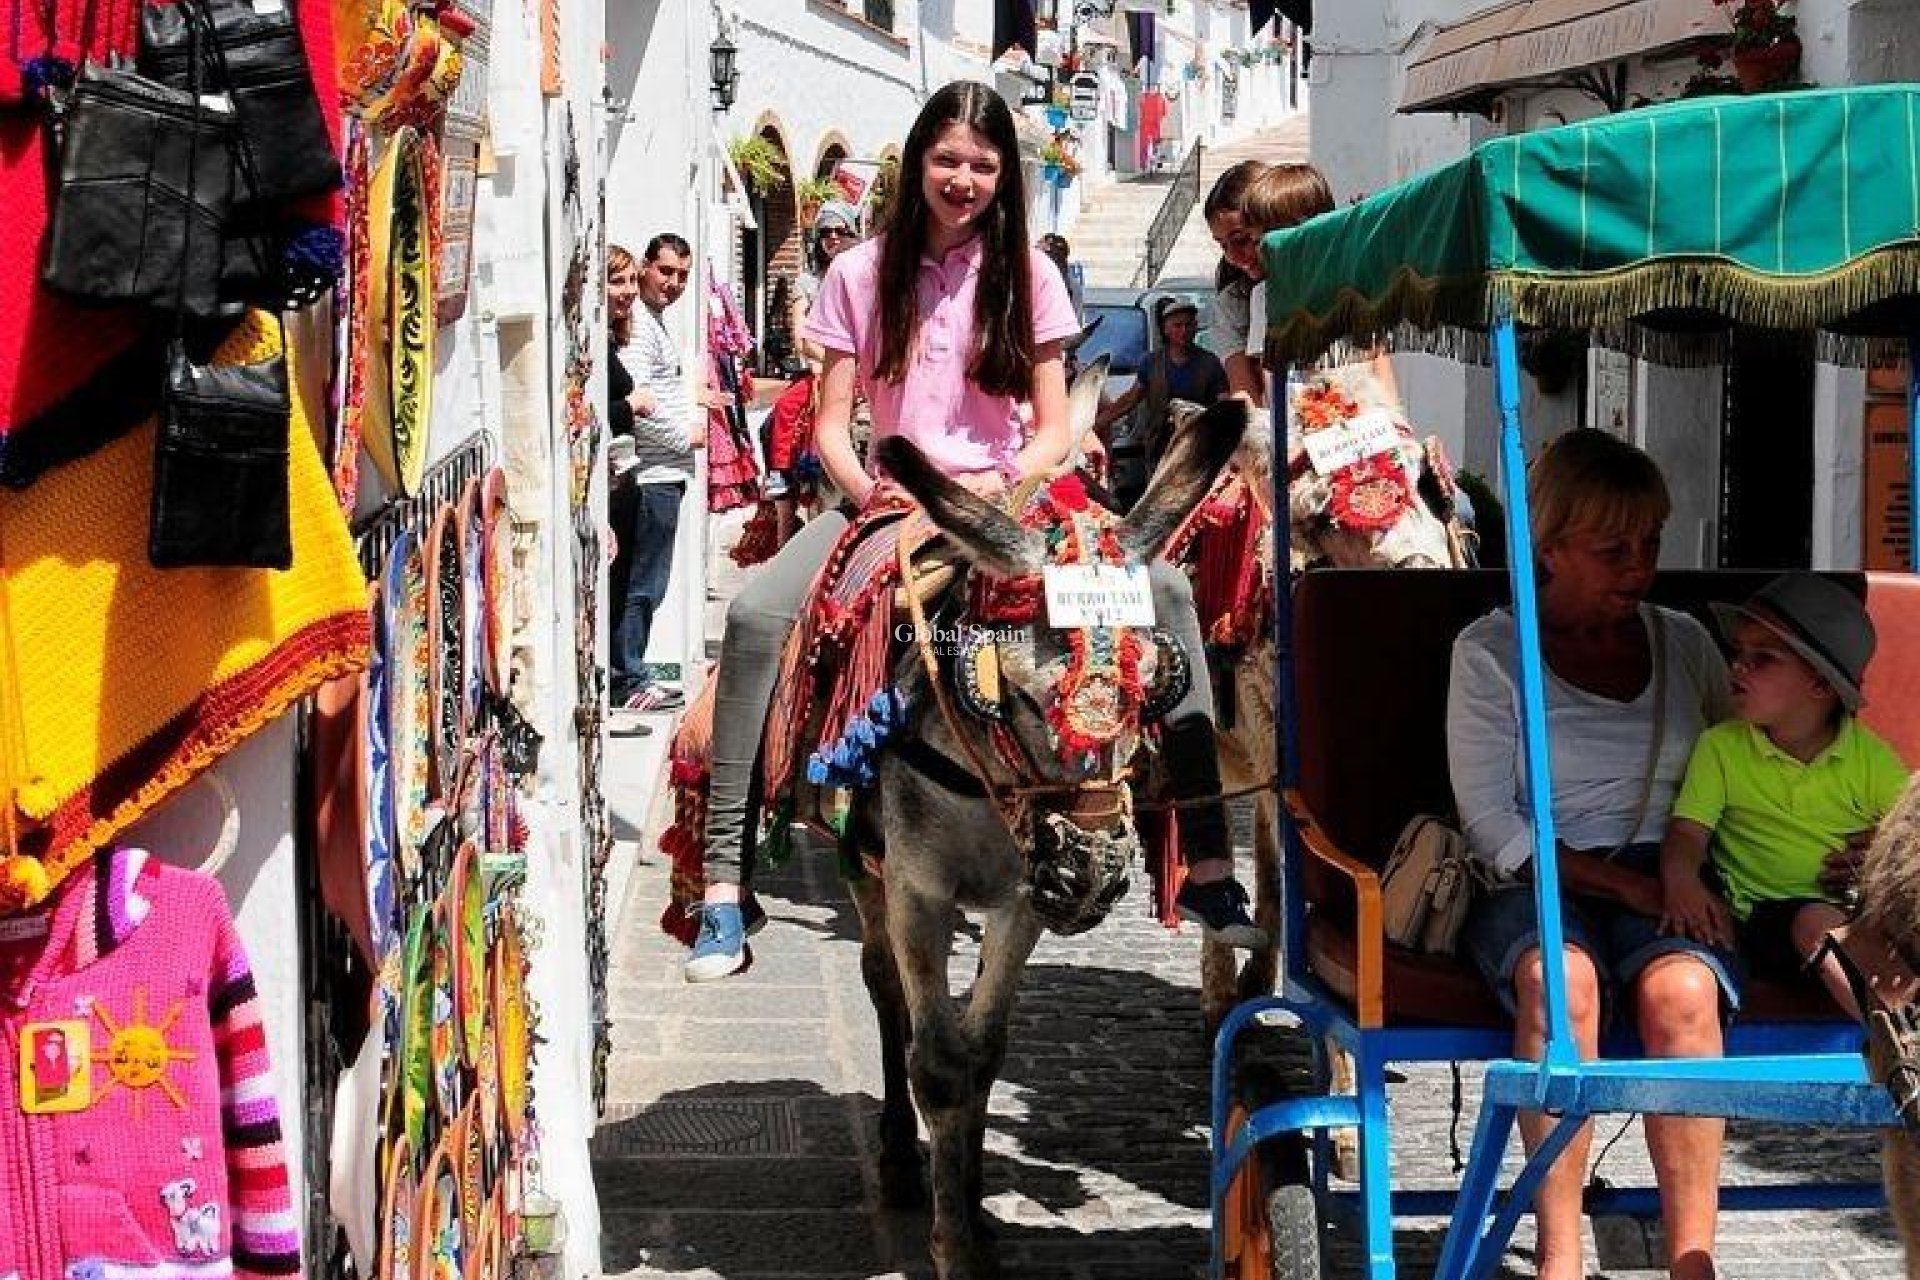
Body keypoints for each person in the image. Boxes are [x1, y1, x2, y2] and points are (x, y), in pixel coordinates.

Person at [684, 80, 1265, 982]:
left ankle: (1210, 866)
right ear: (919, 161)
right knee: (758, 616)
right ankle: (726, 880)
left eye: (983, 165)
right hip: (890, 498)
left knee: (1167, 592)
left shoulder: (1029, 274)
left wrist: (1005, 485)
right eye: (948, 159)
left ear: (1004, 177)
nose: (963, 179)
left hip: (1019, 498)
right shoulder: (858, 272)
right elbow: (832, 427)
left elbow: (1054, 427)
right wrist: (875, 497)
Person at [1447, 429, 1735, 1280]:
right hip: (1537, 874)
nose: (1639, 567)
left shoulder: (1684, 641)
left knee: (1684, 994)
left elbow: (1739, 765)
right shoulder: (1491, 653)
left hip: (1669, 869)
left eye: (1651, 544)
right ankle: (1561, 1254)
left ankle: (1693, 1260)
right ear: (1550, 548)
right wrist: (1619, 886)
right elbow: (1491, 824)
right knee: (1560, 985)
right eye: (1613, 550)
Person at [1661, 572, 1910, 1017]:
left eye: (1763, 659)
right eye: (1739, 653)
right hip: (1763, 920)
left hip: (1856, 915)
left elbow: (1906, 837)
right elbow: (1687, 834)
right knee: (1817, 922)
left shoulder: (1870, 759)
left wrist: (1879, 853)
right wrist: (1681, 880)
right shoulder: (1721, 748)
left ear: (1821, 685)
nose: (1738, 667)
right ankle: (1897, 1034)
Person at [608, 233, 713, 716]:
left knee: (648, 583)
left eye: (682, 276)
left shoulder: (652, 321)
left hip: (663, 473)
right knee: (642, 584)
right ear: (647, 266)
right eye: (665, 271)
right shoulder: (639, 327)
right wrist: (684, 437)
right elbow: (638, 403)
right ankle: (628, 679)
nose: (673, 283)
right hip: (650, 475)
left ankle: (633, 673)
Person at [1093, 295, 1227, 509]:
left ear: (1195, 327)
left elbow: (1223, 404)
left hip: (1197, 447)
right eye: (1177, 326)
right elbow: (1131, 399)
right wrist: (1097, 423)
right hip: (1160, 447)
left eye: (1188, 325)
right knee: (1158, 503)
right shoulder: (1151, 362)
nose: (1183, 331)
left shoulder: (1210, 363)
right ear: (1166, 329)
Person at [1202, 160, 1271, 404]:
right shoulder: (1234, 303)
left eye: (1241, 240)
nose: (1232, 256)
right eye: (1223, 245)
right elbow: (1245, 394)